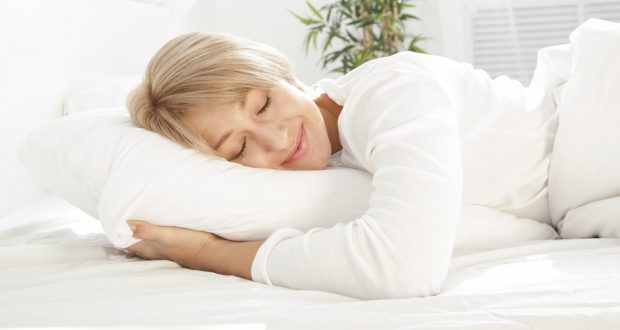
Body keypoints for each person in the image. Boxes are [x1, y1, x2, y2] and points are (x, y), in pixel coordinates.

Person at [124, 31, 558, 300]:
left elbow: (401, 269)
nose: (276, 139)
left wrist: (208, 252)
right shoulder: (329, 169)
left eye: (264, 104)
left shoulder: (393, 91)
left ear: (285, 74)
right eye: (238, 149)